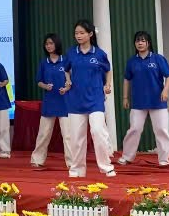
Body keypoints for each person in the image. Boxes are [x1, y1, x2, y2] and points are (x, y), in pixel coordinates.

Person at [63, 19, 116, 178]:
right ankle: (77, 169)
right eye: (76, 33)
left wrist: (107, 84)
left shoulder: (99, 54)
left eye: (82, 33)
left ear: (90, 34)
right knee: (77, 137)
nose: (78, 36)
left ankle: (106, 167)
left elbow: (108, 70)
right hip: (76, 100)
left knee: (98, 131)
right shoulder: (71, 53)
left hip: (95, 99)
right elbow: (66, 69)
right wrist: (68, 80)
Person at [118, 31, 169, 167]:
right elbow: (127, 79)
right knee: (134, 129)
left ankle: (164, 159)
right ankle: (127, 156)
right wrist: (125, 97)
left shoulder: (158, 59)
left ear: (148, 43)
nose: (140, 43)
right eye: (137, 41)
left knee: (161, 130)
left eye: (143, 41)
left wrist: (166, 90)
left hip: (158, 101)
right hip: (138, 102)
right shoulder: (132, 61)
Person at [30, 34, 70, 168]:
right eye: (47, 44)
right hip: (49, 102)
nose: (49, 46)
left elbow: (72, 80)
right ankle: (37, 160)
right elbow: (39, 81)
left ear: (57, 44)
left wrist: (66, 87)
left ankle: (72, 163)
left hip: (65, 103)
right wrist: (45, 86)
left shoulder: (66, 60)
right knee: (44, 133)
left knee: (68, 135)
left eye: (51, 43)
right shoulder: (43, 63)